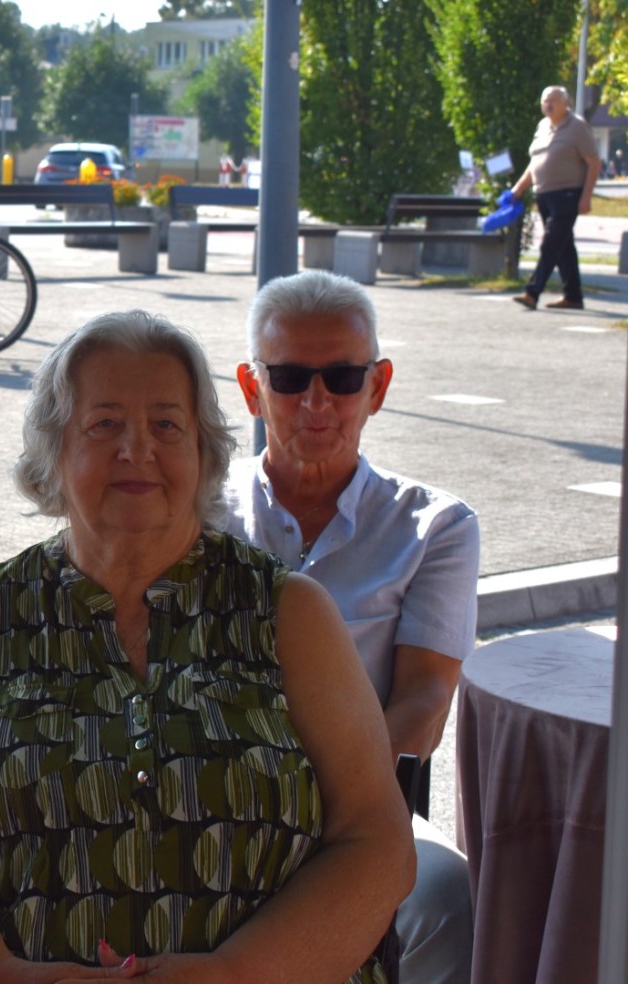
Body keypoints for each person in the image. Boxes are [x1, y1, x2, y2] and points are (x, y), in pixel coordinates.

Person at [0, 311, 414, 983]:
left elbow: (375, 840)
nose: (136, 450)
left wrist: (236, 973)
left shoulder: (288, 612)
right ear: (55, 451)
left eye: (167, 426)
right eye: (104, 424)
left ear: (203, 452)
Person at [223, 270, 480, 984]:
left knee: (450, 900)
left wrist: (318, 800)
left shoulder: (435, 527)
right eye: (289, 378)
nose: (316, 402)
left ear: (378, 386)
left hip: (353, 807)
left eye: (341, 377)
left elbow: (425, 703)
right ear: (251, 388)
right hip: (203, 788)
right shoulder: (197, 510)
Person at [511, 85, 600, 311]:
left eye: (553, 100)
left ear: (566, 103)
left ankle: (532, 292)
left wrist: (586, 196)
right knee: (563, 246)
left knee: (551, 243)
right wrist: (519, 188)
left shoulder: (577, 126)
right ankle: (573, 296)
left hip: (568, 194)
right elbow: (535, 162)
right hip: (544, 194)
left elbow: (593, 162)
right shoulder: (543, 126)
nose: (548, 104)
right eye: (545, 100)